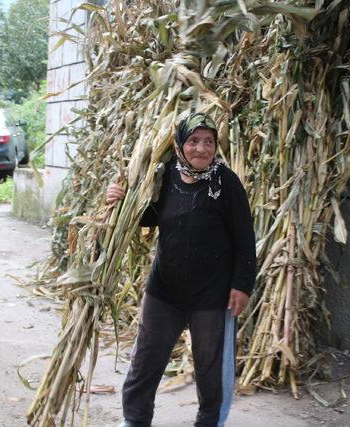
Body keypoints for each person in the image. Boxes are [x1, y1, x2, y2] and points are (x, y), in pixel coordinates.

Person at [107, 112, 256, 427]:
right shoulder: (165, 177)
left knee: (210, 366)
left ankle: (209, 422)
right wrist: (121, 201)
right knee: (147, 359)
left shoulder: (226, 183)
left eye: (208, 142)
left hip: (212, 295)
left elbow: (245, 238)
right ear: (178, 144)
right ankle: (134, 419)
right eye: (193, 141)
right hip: (165, 290)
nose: (201, 149)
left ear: (216, 146)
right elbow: (147, 216)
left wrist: (242, 285)